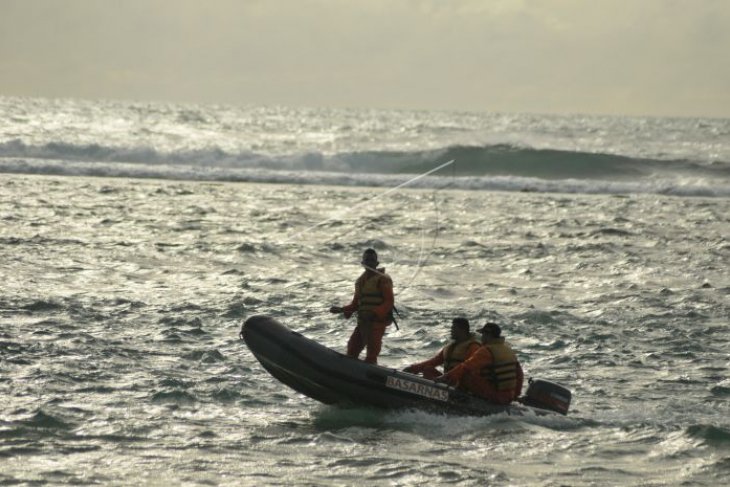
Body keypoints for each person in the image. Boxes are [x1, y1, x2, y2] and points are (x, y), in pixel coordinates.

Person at [330, 248, 394, 364]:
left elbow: (389, 301)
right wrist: (341, 310)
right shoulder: (360, 281)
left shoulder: (383, 279)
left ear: (377, 263)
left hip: (376, 323)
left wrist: (375, 313)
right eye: (367, 260)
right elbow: (355, 305)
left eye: (372, 260)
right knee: (352, 347)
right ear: (363, 263)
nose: (369, 262)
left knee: (372, 352)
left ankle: (371, 374)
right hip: (362, 322)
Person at [437, 322, 524, 405]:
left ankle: (457, 400)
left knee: (466, 373)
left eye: (483, 335)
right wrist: (515, 395)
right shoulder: (509, 350)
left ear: (488, 335)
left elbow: (465, 367)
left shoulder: (487, 351)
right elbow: (519, 375)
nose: (481, 338)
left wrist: (445, 377)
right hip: (508, 396)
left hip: (496, 396)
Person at [403, 317, 481, 380]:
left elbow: (469, 368)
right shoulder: (450, 346)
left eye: (454, 328)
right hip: (446, 380)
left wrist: (450, 376)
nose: (451, 330)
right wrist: (413, 368)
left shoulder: (473, 347)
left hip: (461, 383)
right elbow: (434, 361)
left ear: (462, 330)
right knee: (428, 369)